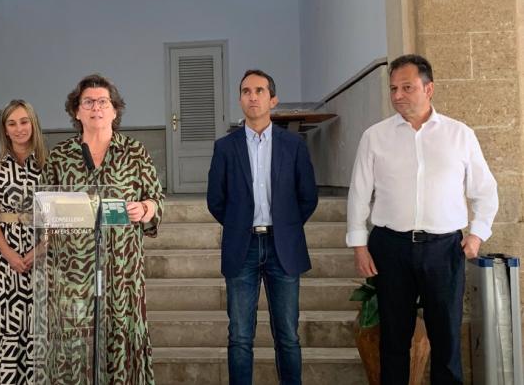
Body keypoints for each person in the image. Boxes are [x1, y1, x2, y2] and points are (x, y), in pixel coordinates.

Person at [347, 54, 498, 385]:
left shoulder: (460, 135)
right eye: (393, 88)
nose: (398, 95)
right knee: (393, 338)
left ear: (428, 88)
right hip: (390, 247)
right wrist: (359, 245)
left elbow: (485, 191)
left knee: (446, 339)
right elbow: (358, 193)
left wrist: (477, 235)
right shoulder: (375, 137)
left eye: (407, 87)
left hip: (444, 249)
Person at [43, 73, 164, 384]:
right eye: (88, 102)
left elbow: (156, 200)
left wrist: (145, 208)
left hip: (122, 271)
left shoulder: (134, 152)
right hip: (74, 273)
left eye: (103, 102)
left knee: (121, 338)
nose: (96, 107)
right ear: (76, 111)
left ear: (114, 110)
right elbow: (44, 209)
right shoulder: (60, 156)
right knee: (77, 346)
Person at [207, 69, 318, 385]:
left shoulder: (293, 145)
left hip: (283, 248)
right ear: (240, 99)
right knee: (240, 336)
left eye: (259, 91)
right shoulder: (225, 147)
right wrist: (238, 225)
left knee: (288, 335)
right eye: (246, 91)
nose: (252, 97)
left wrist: (286, 227)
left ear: (273, 99)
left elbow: (307, 196)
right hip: (242, 248)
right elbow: (216, 200)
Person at [0, 99, 47, 384]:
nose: (19, 129)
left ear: (33, 124)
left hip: (41, 255)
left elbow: (59, 214)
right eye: (12, 123)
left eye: (24, 121)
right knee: (1, 326)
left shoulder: (48, 164)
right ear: (5, 129)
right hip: (4, 257)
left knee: (36, 328)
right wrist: (8, 254)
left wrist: (40, 249)